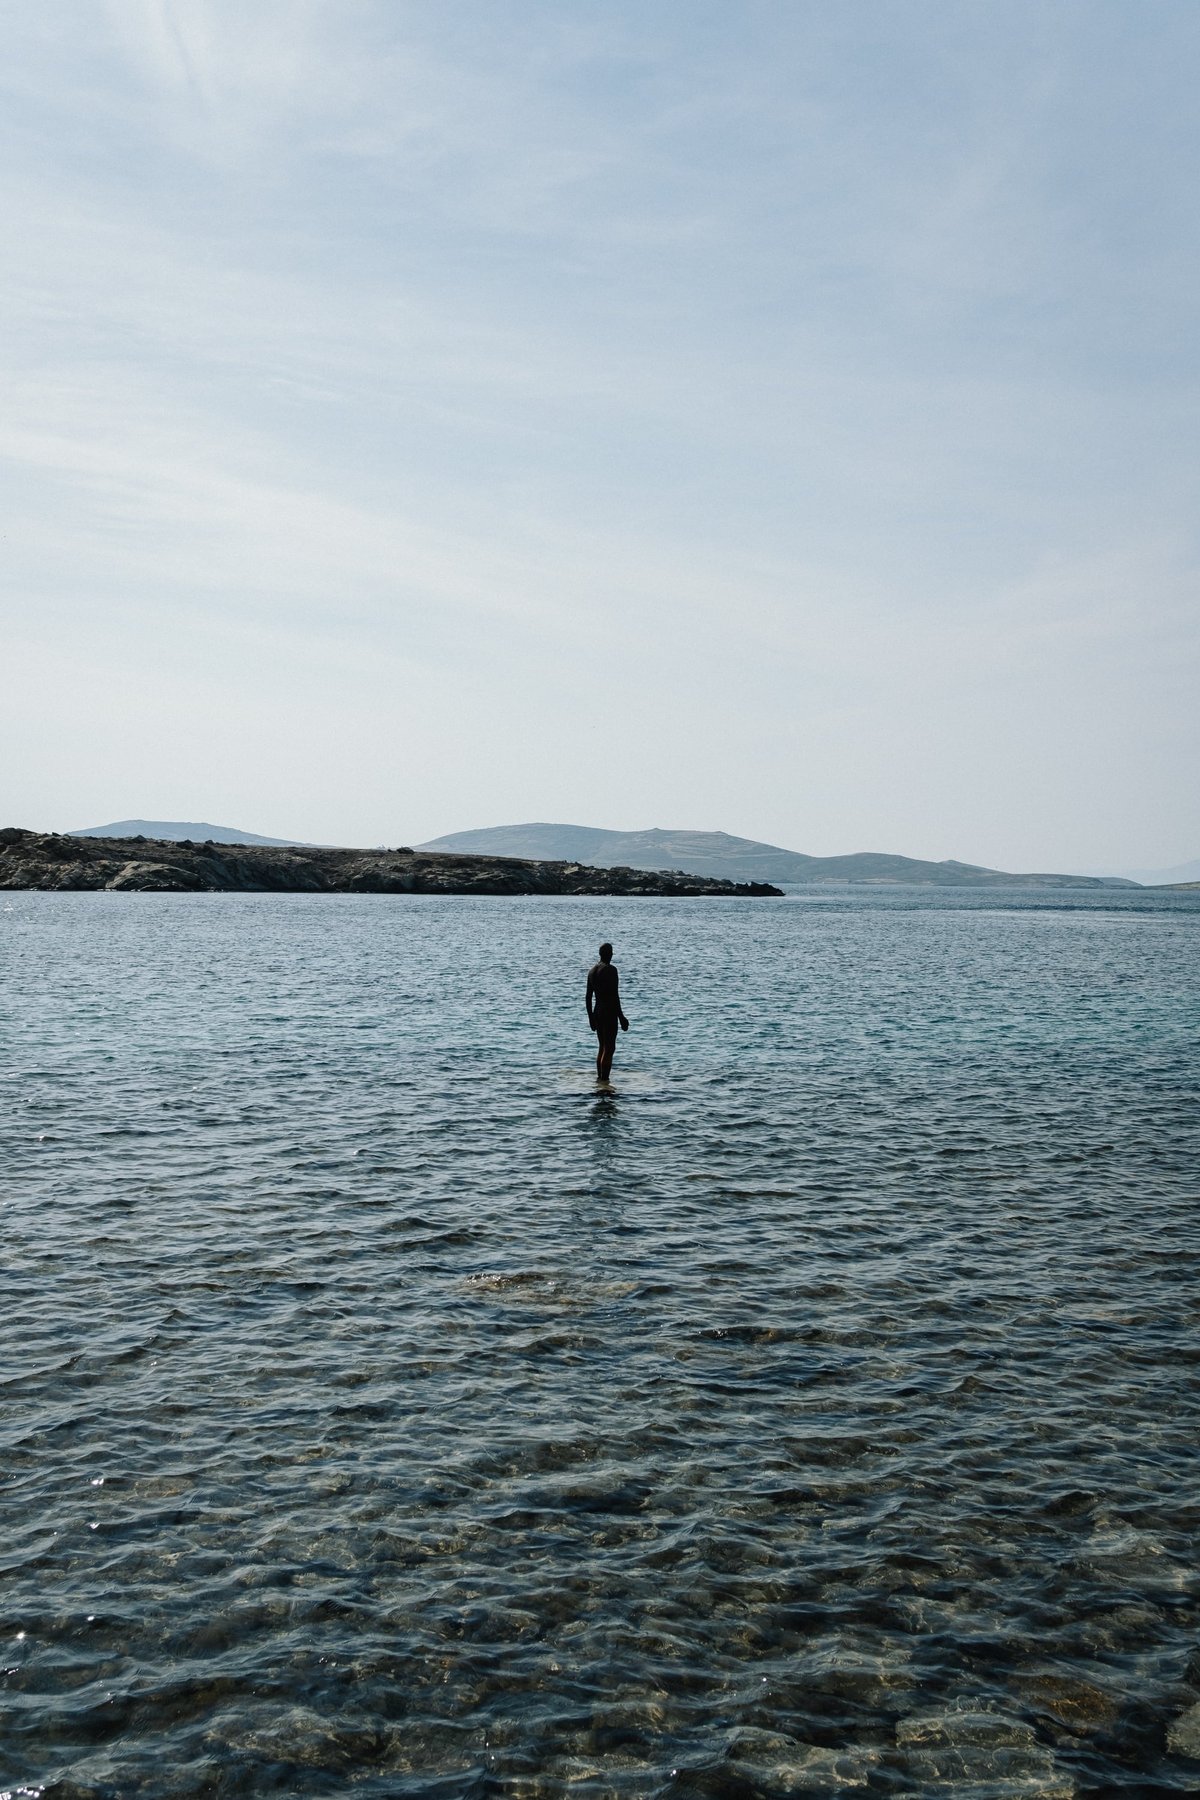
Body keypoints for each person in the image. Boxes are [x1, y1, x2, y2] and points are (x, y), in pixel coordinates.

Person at [586, 942, 629, 1081]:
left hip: (597, 1011)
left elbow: (588, 997)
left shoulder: (592, 971)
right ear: (609, 954)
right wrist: (621, 1016)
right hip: (609, 1011)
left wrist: (590, 1017)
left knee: (602, 1046)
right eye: (611, 953)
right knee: (609, 1048)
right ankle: (605, 1081)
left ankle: (600, 1080)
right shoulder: (611, 970)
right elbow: (614, 995)